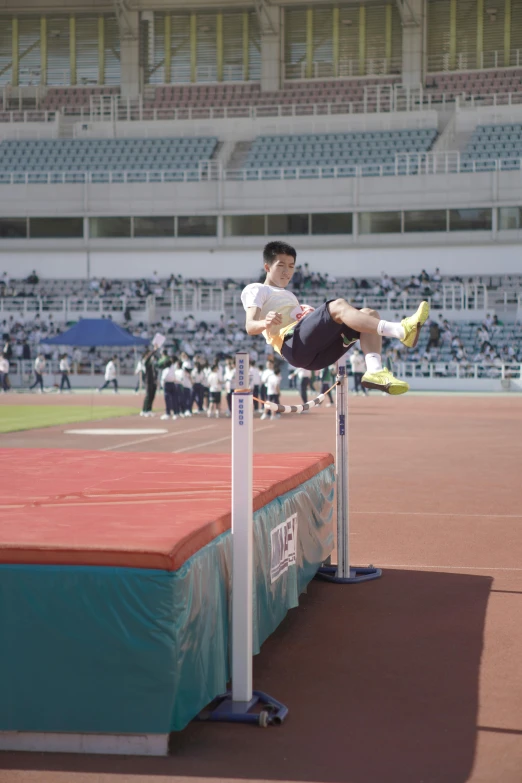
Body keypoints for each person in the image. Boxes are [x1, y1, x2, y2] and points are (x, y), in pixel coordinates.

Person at [241, 241, 430, 394]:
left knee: (369, 314)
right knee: (338, 305)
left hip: (315, 357)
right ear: (267, 267)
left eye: (291, 266)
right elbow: (250, 327)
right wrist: (264, 322)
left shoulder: (290, 296)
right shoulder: (256, 289)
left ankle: (374, 371)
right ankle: (401, 330)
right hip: (292, 344)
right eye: (281, 266)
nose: (287, 272)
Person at [141, 347, 158, 416]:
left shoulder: (151, 364)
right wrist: (154, 350)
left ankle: (149, 410)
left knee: (152, 396)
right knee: (148, 395)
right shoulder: (145, 362)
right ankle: (144, 410)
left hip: (153, 381)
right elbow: (148, 358)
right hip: (148, 381)